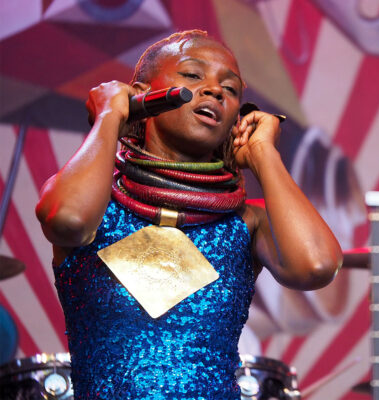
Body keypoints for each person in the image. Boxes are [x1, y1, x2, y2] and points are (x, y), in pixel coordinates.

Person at [35, 29, 342, 399]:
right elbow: (66, 220)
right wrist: (110, 116)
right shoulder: (91, 203)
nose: (215, 90)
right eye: (193, 75)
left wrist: (264, 155)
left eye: (230, 89)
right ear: (142, 95)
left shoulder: (246, 223)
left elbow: (317, 266)